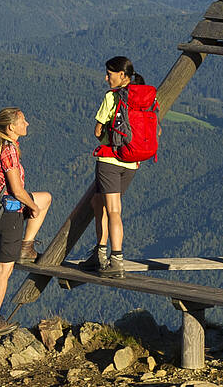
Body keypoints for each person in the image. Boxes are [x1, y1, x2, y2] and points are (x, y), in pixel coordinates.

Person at [0, 107, 51, 337]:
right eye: (23, 121)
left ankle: (25, 246)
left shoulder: (3, 145)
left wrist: (34, 204)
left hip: (7, 209)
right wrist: (32, 207)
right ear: (11, 127)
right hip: (9, 214)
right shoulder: (8, 150)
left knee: (46, 198)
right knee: (4, 271)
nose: (27, 123)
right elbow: (17, 190)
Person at [82, 56, 145, 278]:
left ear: (122, 75)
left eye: (110, 74)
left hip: (110, 161)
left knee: (113, 210)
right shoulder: (144, 96)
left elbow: (98, 131)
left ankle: (115, 260)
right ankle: (99, 253)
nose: (106, 77)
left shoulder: (112, 97)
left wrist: (108, 137)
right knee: (97, 201)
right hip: (133, 162)